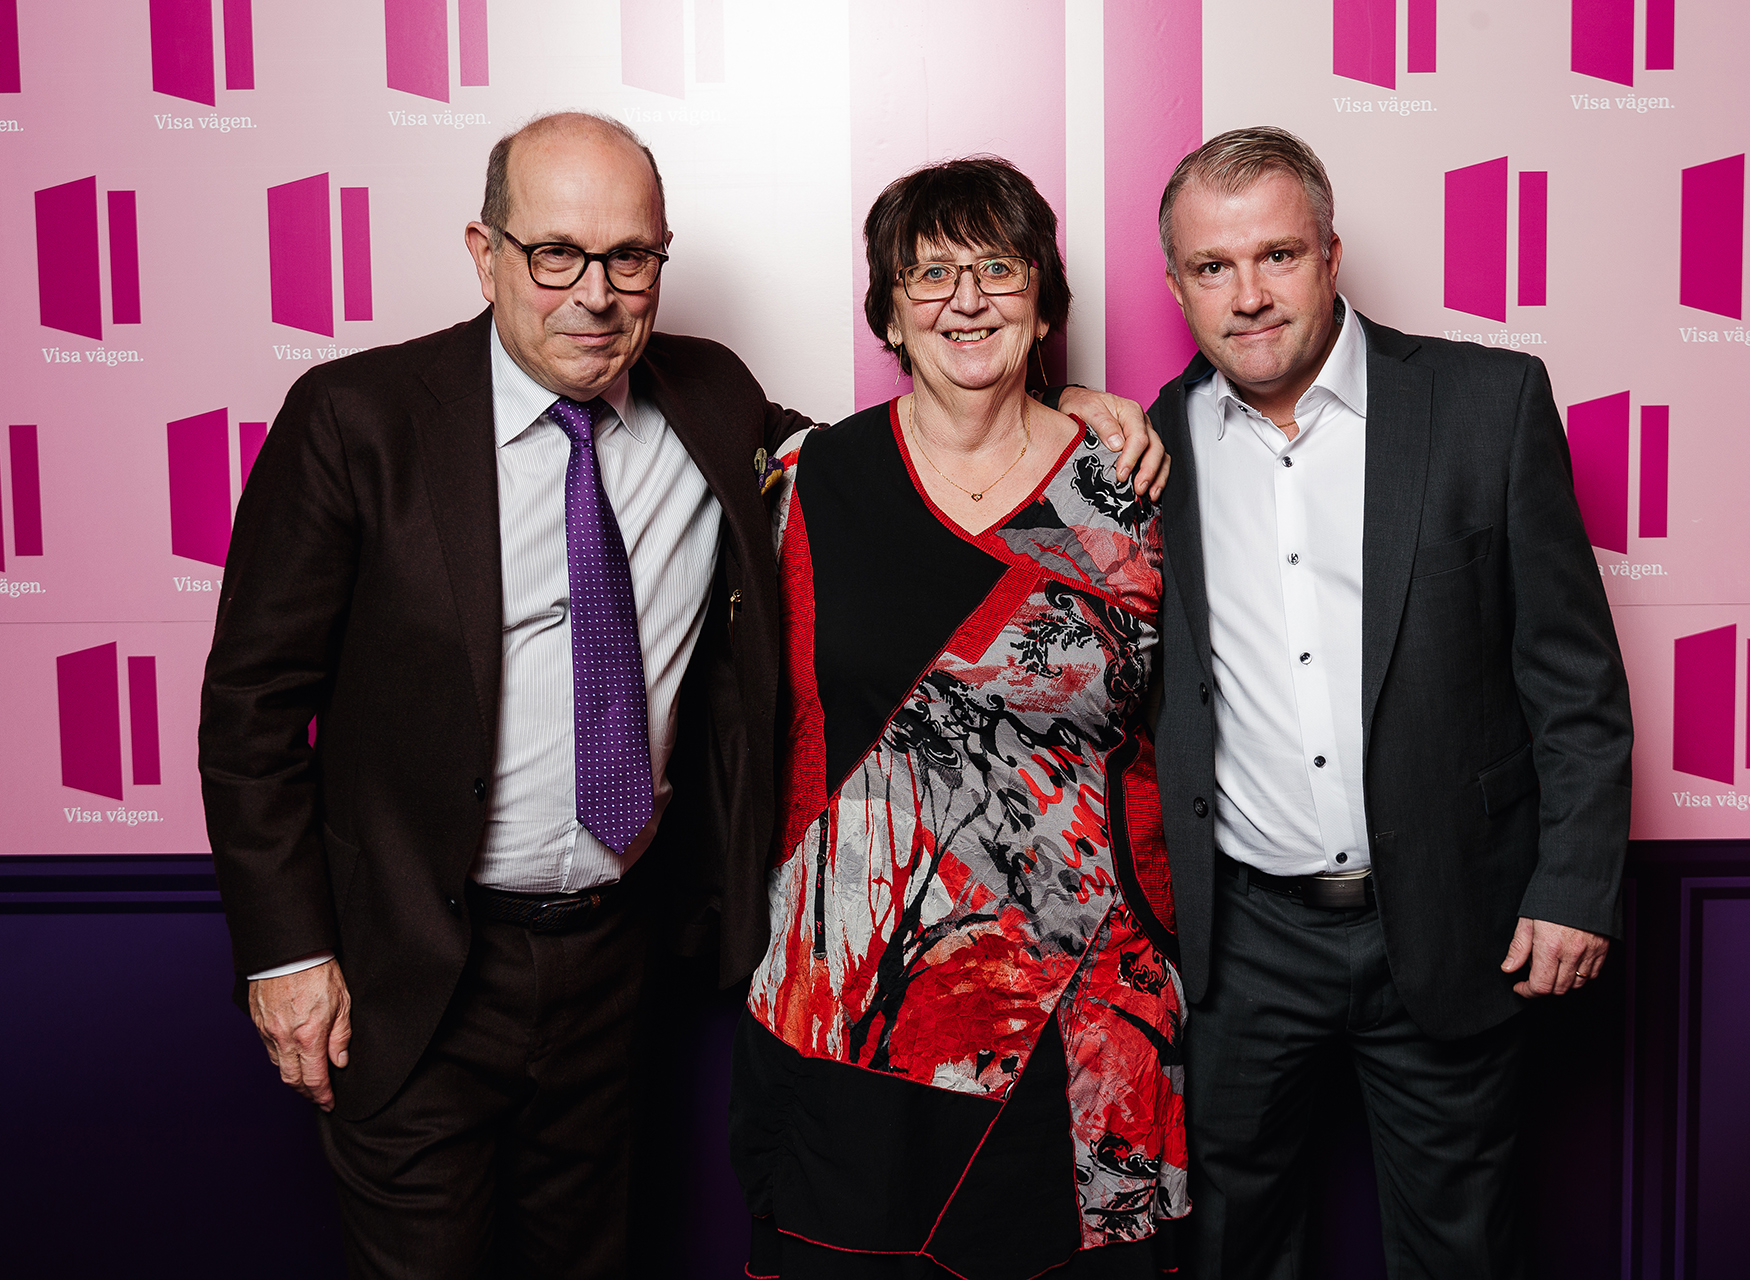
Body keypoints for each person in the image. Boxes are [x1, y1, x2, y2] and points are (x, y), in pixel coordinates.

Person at [199, 113, 1165, 1279]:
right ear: (485, 253)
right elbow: (251, 707)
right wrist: (287, 954)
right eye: (556, 252)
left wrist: (1076, 409)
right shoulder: (358, 419)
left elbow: (899, 474)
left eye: (629, 257)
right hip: (414, 967)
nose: (594, 293)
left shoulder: (712, 401)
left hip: (616, 962)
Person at [1146, 127, 1633, 1278]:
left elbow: (1573, 676)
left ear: (1331, 255)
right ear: (1175, 286)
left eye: (1278, 255)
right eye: (1213, 267)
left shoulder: (1487, 404)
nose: (1248, 295)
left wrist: (1575, 884)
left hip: (1453, 918)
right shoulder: (1142, 448)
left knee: (1461, 1249)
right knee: (1230, 1247)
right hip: (1243, 939)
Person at [729, 156, 1189, 1280]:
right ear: (889, 312)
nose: (967, 300)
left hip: (1085, 1006)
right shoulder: (807, 478)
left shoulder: (1133, 487)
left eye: (999, 268)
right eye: (930, 274)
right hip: (854, 992)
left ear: (1045, 301)